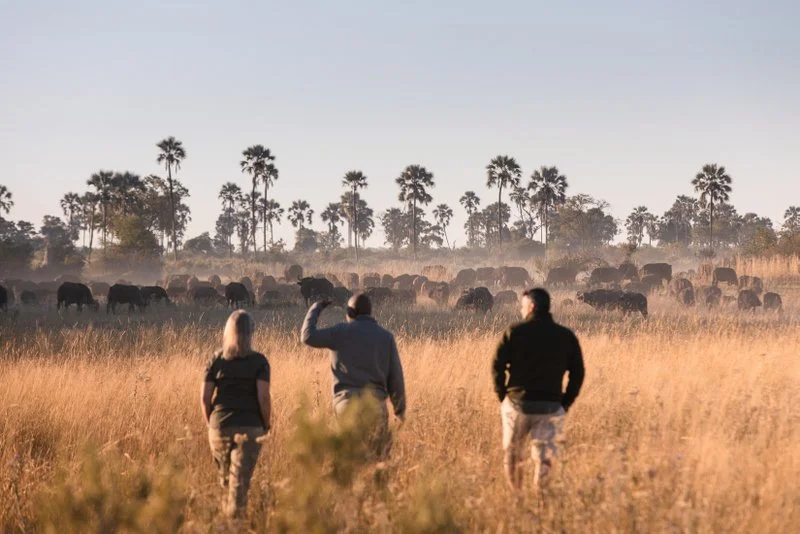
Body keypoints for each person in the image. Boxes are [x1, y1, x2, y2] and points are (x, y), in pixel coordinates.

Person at [492, 288, 585, 491]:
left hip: (517, 404)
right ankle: (540, 497)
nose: (521, 309)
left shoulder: (514, 331)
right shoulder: (565, 335)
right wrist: (564, 402)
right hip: (550, 406)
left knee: (512, 453)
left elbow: (496, 366)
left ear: (532, 306)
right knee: (544, 458)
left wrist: (503, 396)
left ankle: (517, 495)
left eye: (522, 306)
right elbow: (578, 373)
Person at [301, 293, 406, 457]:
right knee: (378, 461)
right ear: (370, 313)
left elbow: (307, 336)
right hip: (376, 406)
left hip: (346, 406)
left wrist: (316, 308)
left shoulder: (339, 332)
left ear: (350, 313)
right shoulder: (386, 337)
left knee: (348, 461)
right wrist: (400, 410)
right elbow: (396, 378)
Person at [201, 310, 271, 518]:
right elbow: (263, 398)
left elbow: (205, 399)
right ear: (251, 333)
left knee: (225, 482)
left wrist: (211, 425)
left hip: (218, 427)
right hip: (250, 428)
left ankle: (226, 523)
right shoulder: (260, 362)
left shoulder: (216, 360)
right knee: (239, 487)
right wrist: (266, 426)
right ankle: (235, 525)